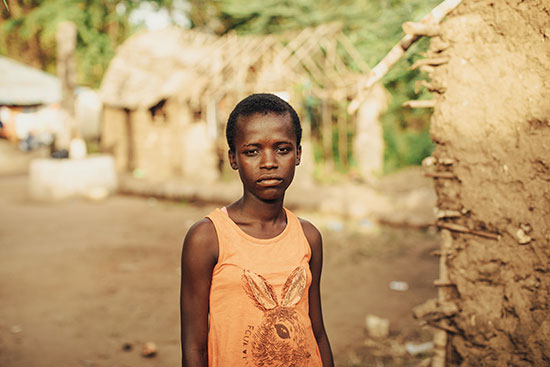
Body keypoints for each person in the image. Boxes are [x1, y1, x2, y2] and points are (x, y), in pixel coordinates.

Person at [180, 93, 334, 367]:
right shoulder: (208, 238)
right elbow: (194, 347)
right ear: (233, 158)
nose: (268, 162)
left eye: (282, 149)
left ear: (298, 154)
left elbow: (317, 331)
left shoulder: (308, 237)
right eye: (252, 151)